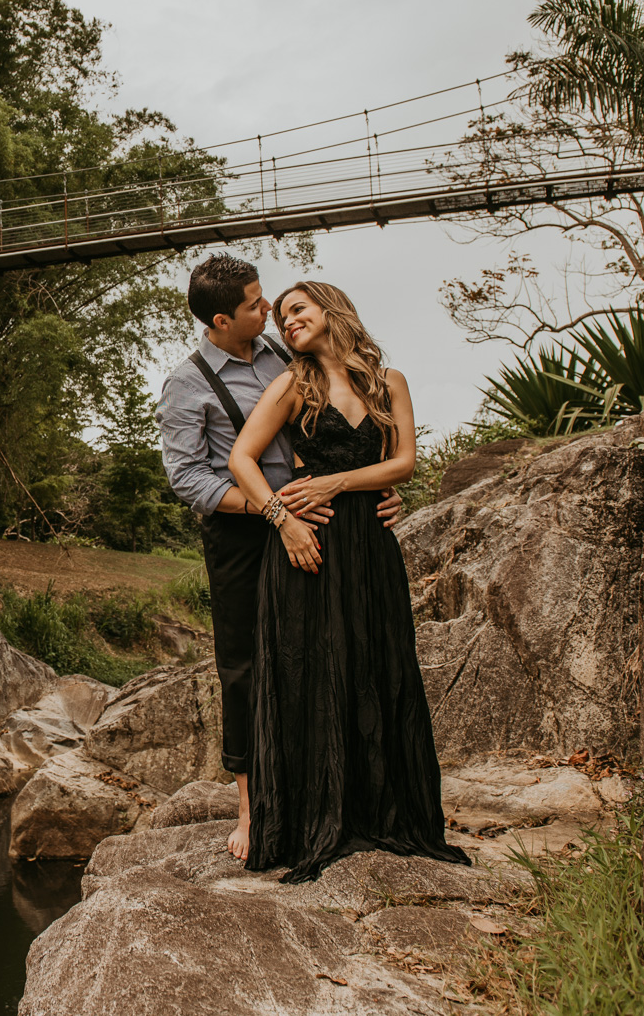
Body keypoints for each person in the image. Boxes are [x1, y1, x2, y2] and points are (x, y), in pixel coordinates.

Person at [156, 256, 402, 863]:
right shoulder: (187, 384)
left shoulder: (281, 355)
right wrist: (273, 512)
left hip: (323, 520)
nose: (267, 310)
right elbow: (188, 477)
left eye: (268, 299)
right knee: (245, 666)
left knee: (321, 653)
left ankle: (327, 792)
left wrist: (379, 486)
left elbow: (347, 427)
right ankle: (250, 806)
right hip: (244, 534)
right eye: (254, 304)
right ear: (221, 318)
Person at [226, 280, 468, 882]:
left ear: (332, 311)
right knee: (315, 670)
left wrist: (338, 482)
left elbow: (404, 463)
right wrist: (282, 520)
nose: (287, 323)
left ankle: (379, 812)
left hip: (371, 546)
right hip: (312, 546)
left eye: (297, 311)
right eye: (281, 318)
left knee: (375, 665)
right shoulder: (293, 383)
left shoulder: (390, 383)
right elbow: (241, 458)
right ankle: (312, 819)